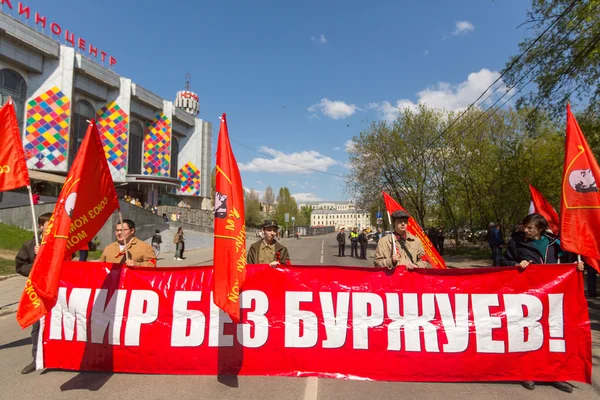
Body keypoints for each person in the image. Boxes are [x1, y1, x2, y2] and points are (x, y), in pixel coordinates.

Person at [498, 213, 583, 393]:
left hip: (552, 295)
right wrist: (516, 263)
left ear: (541, 229)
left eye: (530, 228)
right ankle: (527, 372)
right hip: (526, 294)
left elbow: (567, 261)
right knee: (528, 333)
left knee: (552, 333)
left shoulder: (554, 242)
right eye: (525, 227)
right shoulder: (516, 242)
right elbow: (502, 261)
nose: (526, 230)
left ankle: (554, 375)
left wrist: (578, 267)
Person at [15, 212, 51, 374]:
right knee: (37, 326)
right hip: (38, 291)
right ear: (41, 226)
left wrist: (46, 252)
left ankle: (59, 357)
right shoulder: (29, 245)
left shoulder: (61, 244)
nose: (51, 227)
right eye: (48, 224)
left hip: (57, 291)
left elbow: (68, 262)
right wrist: (36, 267)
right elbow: (20, 265)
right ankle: (36, 358)